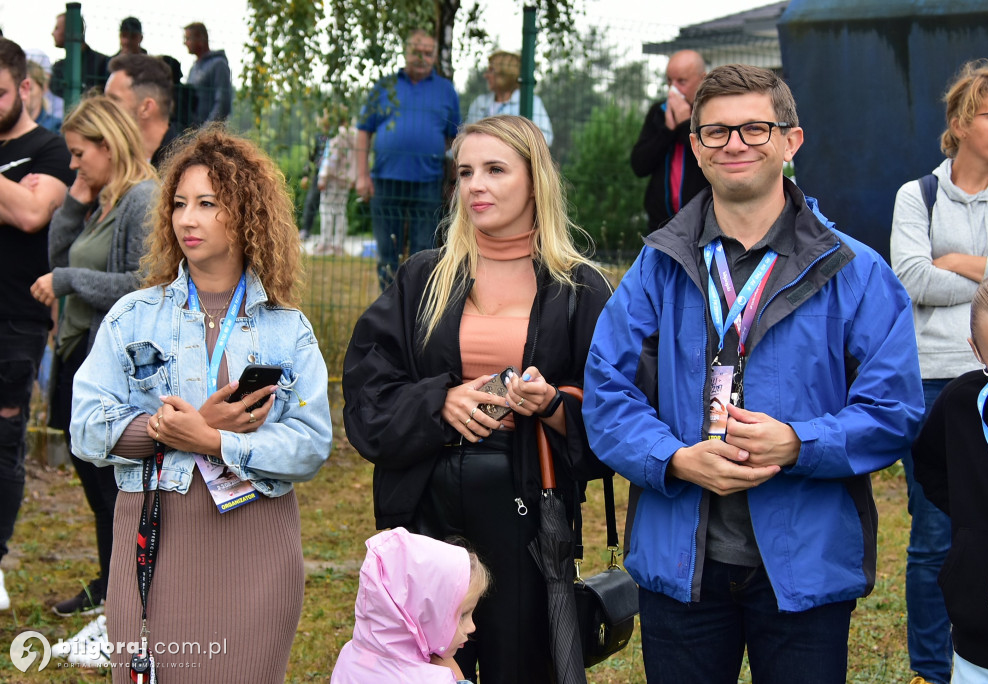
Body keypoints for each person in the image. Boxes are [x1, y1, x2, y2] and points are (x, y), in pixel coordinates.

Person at [583, 64, 925, 683]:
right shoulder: (655, 269)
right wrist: (675, 458)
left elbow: (893, 408)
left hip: (805, 568)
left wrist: (800, 443)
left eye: (754, 129)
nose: (734, 144)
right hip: (680, 568)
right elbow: (608, 395)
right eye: (715, 132)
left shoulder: (856, 272)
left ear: (791, 141)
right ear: (694, 147)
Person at [343, 115, 611, 682]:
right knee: (428, 665)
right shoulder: (424, 277)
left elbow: (619, 407)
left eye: (494, 170)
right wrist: (438, 402)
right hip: (427, 507)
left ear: (534, 180)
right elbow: (367, 389)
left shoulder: (579, 288)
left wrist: (553, 405)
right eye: (465, 172)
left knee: (522, 664)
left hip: (526, 511)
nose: (475, 186)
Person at [69, 127, 332, 682]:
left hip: (256, 542)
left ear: (247, 213)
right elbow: (87, 428)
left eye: (208, 204)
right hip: (155, 537)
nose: (187, 219)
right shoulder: (132, 316)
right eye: (180, 204)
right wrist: (169, 432)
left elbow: (311, 445)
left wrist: (216, 440)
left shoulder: (289, 331)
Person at [890, 60, 988, 684]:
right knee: (937, 534)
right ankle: (930, 670)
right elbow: (909, 278)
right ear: (960, 122)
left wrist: (966, 261)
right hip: (934, 380)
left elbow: (944, 277)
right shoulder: (915, 196)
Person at [28, 96, 158, 631]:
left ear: (109, 145)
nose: (73, 165)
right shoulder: (104, 199)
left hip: (111, 365)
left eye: (81, 155)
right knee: (94, 481)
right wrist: (75, 200)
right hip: (77, 354)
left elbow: (144, 285)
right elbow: (59, 254)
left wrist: (68, 283)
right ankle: (111, 584)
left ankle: (126, 597)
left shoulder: (142, 199)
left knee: (113, 487)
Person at [913, 270, 988, 683]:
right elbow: (930, 466)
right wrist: (974, 529)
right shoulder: (961, 402)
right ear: (976, 350)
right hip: (984, 641)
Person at [0, 37, 75, 612]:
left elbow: (30, 214)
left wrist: (19, 200)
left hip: (16, 316)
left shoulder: (49, 149)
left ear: (25, 87)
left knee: (4, 442)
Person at [355, 28, 461, 290]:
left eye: (428, 52)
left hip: (428, 182)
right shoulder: (384, 87)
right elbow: (363, 132)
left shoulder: (446, 91)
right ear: (405, 52)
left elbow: (455, 140)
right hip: (385, 180)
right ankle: (387, 311)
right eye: (416, 51)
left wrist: (454, 181)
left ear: (435, 56)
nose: (422, 57)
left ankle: (417, 311)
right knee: (387, 252)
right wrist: (361, 176)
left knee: (423, 252)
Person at [331, 528, 490, 683]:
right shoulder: (436, 679)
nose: (472, 627)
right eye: (463, 615)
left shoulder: (351, 657)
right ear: (425, 613)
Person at [630, 49, 710, 233]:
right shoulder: (658, 112)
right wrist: (667, 130)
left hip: (702, 225)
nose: (672, 89)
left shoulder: (712, 114)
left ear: (702, 79)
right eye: (669, 81)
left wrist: (684, 124)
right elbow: (639, 165)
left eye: (681, 82)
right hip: (661, 226)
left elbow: (709, 160)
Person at [105, 54, 180, 167]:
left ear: (146, 108)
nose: (103, 107)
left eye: (114, 99)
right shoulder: (110, 156)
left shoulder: (184, 165)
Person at [466, 50, 553, 146]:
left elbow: (545, 138)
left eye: (491, 70)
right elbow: (466, 135)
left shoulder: (531, 102)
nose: (486, 75)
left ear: (505, 74)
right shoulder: (480, 102)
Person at [317, 113, 358, 255]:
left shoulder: (337, 134)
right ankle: (339, 245)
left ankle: (325, 244)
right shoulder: (354, 134)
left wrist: (323, 176)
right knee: (340, 211)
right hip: (346, 178)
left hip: (332, 177)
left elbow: (332, 157)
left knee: (326, 209)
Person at [50, 12, 110, 98]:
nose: (52, 33)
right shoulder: (58, 68)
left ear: (69, 30)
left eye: (57, 28)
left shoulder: (102, 63)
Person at [183, 22, 232, 125]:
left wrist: (207, 130)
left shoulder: (219, 64)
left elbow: (223, 102)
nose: (185, 43)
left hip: (209, 135)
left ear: (201, 39)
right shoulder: (194, 68)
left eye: (188, 39)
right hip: (193, 132)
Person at [26, 60, 61, 133]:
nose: (22, 94)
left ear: (43, 88)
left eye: (29, 88)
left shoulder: (56, 128)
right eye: (17, 88)